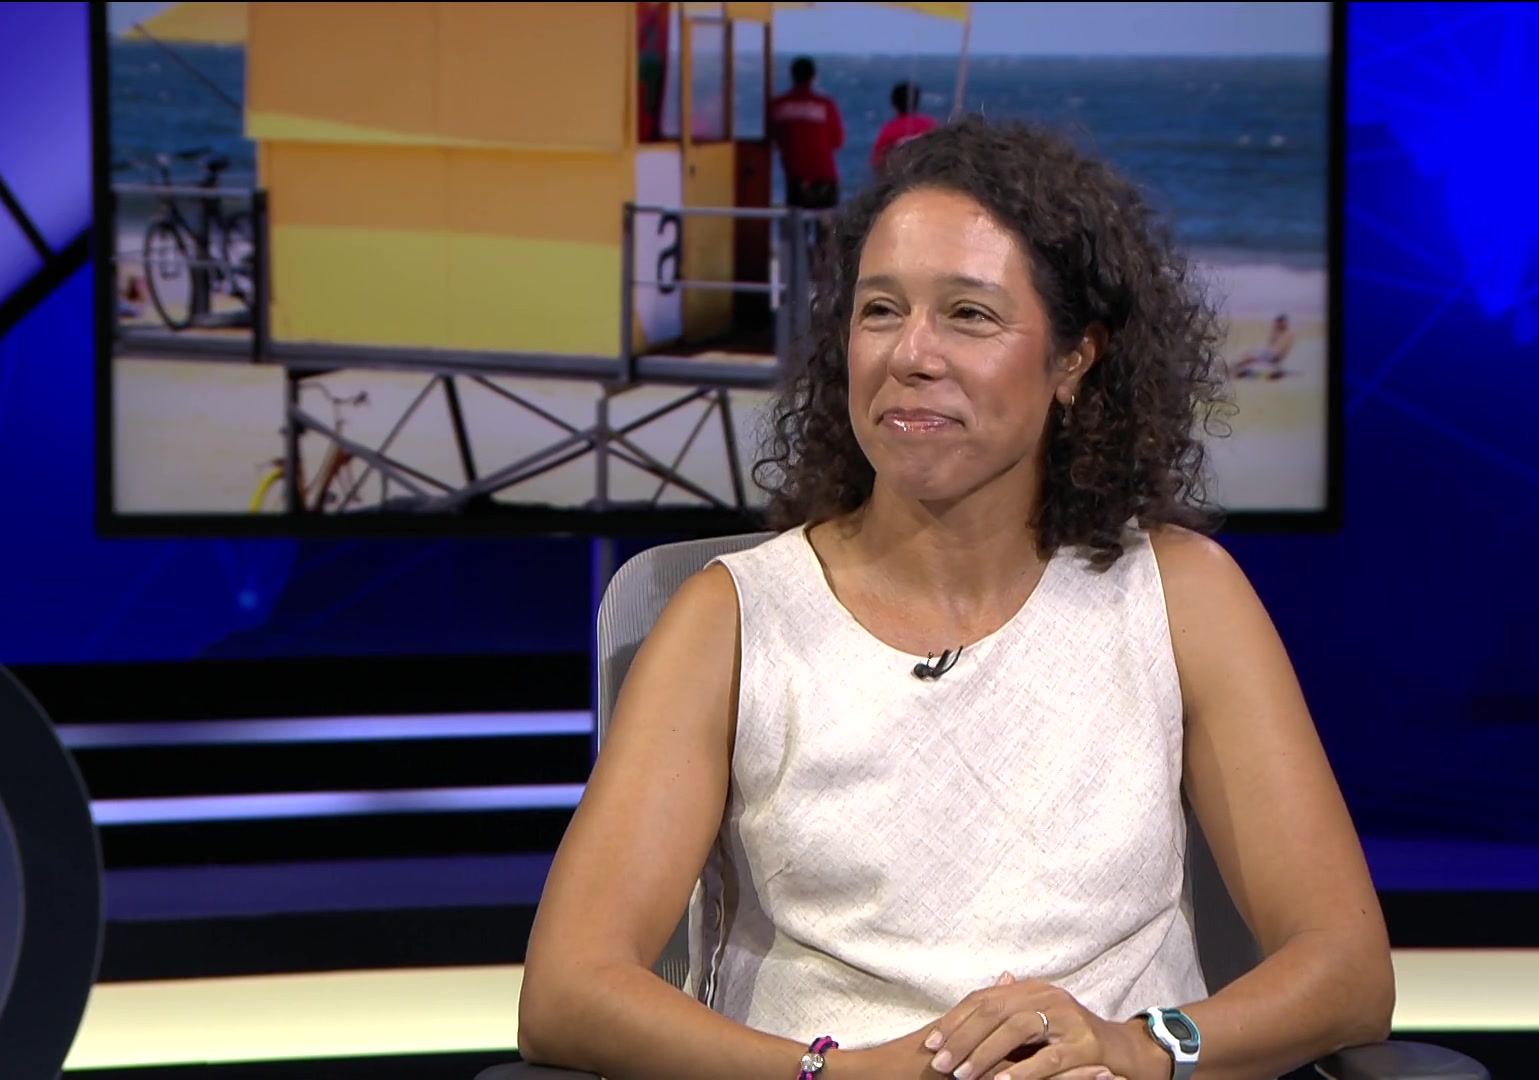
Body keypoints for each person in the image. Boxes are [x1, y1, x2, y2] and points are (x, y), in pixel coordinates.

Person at [517, 117, 1395, 1080]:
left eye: (969, 314)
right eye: (880, 310)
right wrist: (847, 1074)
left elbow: (1346, 970)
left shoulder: (1182, 597)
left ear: (1074, 359)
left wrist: (1138, 1045)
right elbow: (569, 990)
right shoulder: (729, 621)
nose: (911, 354)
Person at [769, 56, 845, 211]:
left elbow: (773, 139)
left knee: (795, 224)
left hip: (796, 180)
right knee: (827, 224)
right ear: (814, 78)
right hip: (826, 177)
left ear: (791, 76)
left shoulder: (778, 106)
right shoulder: (825, 105)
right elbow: (837, 141)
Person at [872, 81, 938, 176]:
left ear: (894, 104)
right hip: (926, 175)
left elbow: (877, 162)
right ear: (917, 101)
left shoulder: (889, 129)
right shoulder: (930, 124)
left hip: (898, 177)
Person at [1229, 315, 1296, 380]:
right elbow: (1270, 344)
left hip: (1274, 355)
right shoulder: (1280, 333)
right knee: (1250, 353)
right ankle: (1235, 367)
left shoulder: (1287, 334)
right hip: (1271, 353)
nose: (1277, 325)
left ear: (1283, 323)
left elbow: (1278, 349)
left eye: (1279, 323)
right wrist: (1275, 333)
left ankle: (1233, 367)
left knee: (1251, 356)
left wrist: (1275, 334)